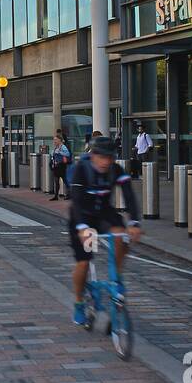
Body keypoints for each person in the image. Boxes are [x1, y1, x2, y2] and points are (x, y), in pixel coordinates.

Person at [68, 136, 141, 327]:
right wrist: (82, 228)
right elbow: (76, 201)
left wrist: (134, 222)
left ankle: (116, 277)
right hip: (82, 216)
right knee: (84, 262)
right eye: (101, 157)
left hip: (103, 214)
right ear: (92, 155)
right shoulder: (81, 170)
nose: (106, 162)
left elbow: (129, 196)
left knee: (121, 234)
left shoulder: (115, 170)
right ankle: (78, 302)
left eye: (110, 157)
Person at [49, 133, 71, 201]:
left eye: (56, 139)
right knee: (56, 181)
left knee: (65, 180)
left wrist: (59, 152)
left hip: (61, 166)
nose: (54, 141)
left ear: (59, 140)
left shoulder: (62, 146)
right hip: (56, 166)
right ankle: (56, 196)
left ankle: (69, 194)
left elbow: (68, 154)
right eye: (54, 139)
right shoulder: (56, 147)